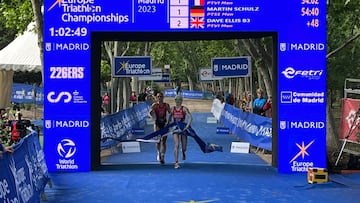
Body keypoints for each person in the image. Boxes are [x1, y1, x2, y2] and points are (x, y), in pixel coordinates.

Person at [168, 95, 193, 169]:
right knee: (176, 145)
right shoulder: (172, 109)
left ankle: (183, 152)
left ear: (181, 101)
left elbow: (190, 117)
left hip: (183, 128)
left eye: (179, 100)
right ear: (175, 101)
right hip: (175, 128)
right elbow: (169, 119)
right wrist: (169, 126)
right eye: (176, 100)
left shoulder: (184, 109)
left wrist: (187, 126)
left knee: (184, 147)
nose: (178, 101)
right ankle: (176, 162)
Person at [148, 92, 171, 164]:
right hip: (157, 124)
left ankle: (163, 156)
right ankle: (158, 153)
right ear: (156, 98)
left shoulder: (166, 105)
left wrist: (169, 121)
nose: (160, 98)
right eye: (158, 97)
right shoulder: (155, 105)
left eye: (161, 96)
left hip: (164, 124)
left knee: (164, 141)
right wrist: (152, 117)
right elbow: (149, 113)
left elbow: (170, 113)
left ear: (163, 97)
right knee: (158, 140)